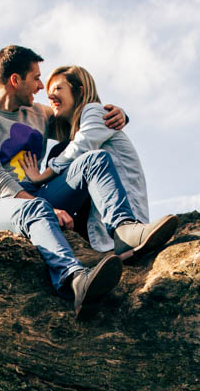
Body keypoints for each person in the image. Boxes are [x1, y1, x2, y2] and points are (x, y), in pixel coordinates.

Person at [0, 45, 178, 319]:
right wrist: (40, 205)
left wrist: (119, 115)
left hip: (38, 195)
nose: (41, 88)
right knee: (34, 209)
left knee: (94, 159)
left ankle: (124, 230)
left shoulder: (38, 114)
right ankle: (75, 282)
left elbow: (79, 120)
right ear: (15, 80)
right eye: (36, 78)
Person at [21, 64, 149, 255]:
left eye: (57, 88)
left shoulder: (95, 111)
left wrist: (40, 176)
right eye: (48, 92)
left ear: (79, 91)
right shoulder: (70, 129)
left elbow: (81, 147)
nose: (50, 96)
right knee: (59, 150)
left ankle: (125, 228)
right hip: (93, 220)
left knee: (78, 156)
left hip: (123, 208)